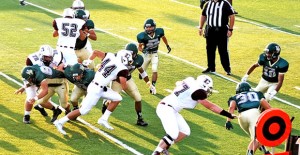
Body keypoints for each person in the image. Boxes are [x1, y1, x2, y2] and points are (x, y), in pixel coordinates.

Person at [152, 75, 236, 155]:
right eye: (207, 89)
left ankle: (164, 147)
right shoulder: (197, 91)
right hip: (166, 108)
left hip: (171, 108)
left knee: (185, 131)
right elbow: (211, 107)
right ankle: (157, 152)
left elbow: (178, 83)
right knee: (173, 134)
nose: (207, 91)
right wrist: (228, 114)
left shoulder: (190, 80)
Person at [53, 49, 131, 135]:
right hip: (96, 89)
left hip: (98, 86)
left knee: (117, 98)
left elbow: (96, 52)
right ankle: (60, 122)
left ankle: (103, 119)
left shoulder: (110, 56)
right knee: (83, 111)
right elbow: (123, 85)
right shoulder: (123, 68)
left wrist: (89, 60)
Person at [102, 43, 154, 126]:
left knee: (138, 98)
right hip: (117, 81)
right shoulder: (118, 57)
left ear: (135, 53)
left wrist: (149, 83)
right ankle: (105, 104)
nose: (129, 55)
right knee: (112, 101)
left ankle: (140, 118)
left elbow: (142, 71)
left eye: (131, 53)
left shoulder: (138, 59)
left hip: (128, 80)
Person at [225, 82, 271, 155]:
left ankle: (266, 151)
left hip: (241, 117)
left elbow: (231, 107)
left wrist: (228, 121)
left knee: (256, 137)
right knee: (258, 137)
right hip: (254, 114)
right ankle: (250, 153)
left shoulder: (234, 97)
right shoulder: (257, 94)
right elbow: (268, 107)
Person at [199, 0, 235, 75]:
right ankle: (211, 67)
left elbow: (232, 16)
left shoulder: (225, 3)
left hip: (222, 30)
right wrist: (200, 27)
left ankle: (227, 69)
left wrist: (230, 29)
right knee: (210, 49)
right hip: (210, 29)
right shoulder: (208, 4)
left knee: (223, 50)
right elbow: (203, 15)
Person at [137, 18, 171, 94]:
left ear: (154, 27)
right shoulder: (142, 36)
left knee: (154, 69)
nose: (149, 29)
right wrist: (143, 50)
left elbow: (163, 37)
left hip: (154, 53)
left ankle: (153, 86)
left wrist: (167, 45)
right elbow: (139, 47)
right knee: (141, 71)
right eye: (147, 27)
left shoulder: (159, 32)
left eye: (150, 27)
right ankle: (142, 73)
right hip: (146, 54)